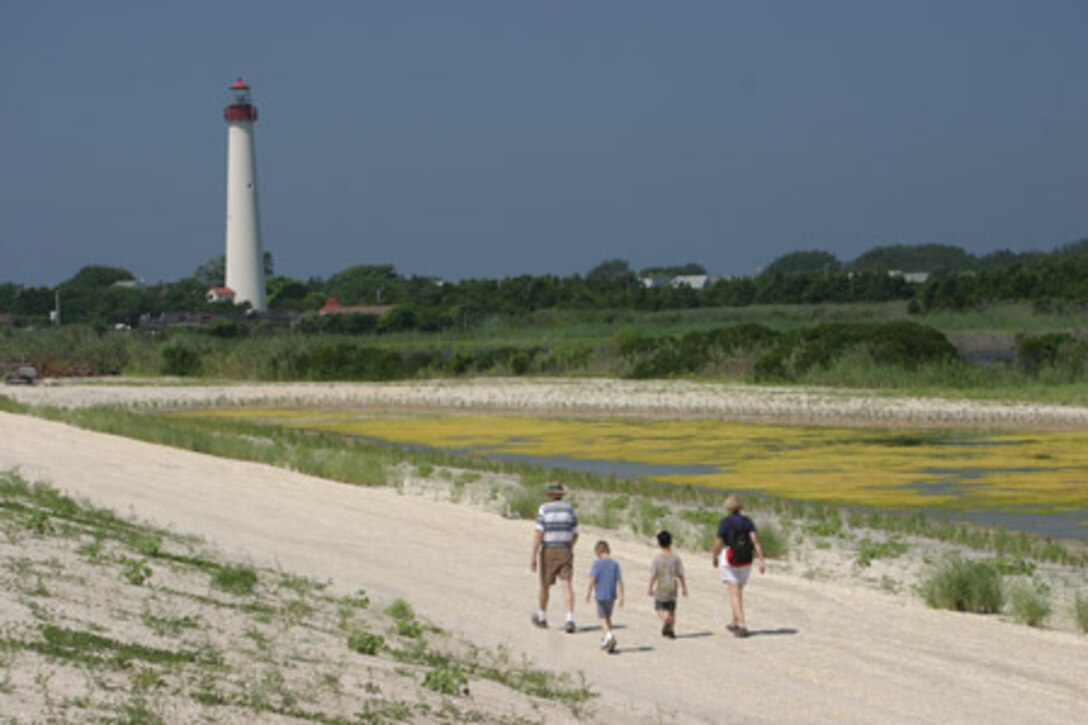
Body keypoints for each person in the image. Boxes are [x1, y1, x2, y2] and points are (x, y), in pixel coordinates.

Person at [712, 495, 766, 638]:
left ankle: (742, 625)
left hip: (730, 558)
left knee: (734, 592)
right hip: (746, 559)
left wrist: (714, 557)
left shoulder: (724, 522)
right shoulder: (747, 521)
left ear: (727, 508)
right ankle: (733, 622)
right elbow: (755, 541)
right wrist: (761, 560)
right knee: (737, 591)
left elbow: (718, 543)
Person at [530, 482, 579, 632]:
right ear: (561, 495)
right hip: (565, 548)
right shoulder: (569, 509)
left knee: (545, 585)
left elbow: (539, 533)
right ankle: (570, 618)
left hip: (549, 549)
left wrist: (533, 555)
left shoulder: (544, 509)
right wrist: (570, 546)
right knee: (567, 584)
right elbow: (576, 532)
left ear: (550, 495)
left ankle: (542, 616)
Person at [585, 540, 624, 652]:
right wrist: (622, 596)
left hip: (601, 594)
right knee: (608, 617)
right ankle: (606, 639)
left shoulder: (597, 564)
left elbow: (593, 579)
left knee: (602, 618)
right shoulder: (615, 564)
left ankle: (609, 635)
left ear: (598, 552)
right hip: (612, 595)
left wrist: (588, 593)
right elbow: (620, 581)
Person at [648, 530, 688, 638]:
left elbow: (653, 574)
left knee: (659, 608)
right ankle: (671, 630)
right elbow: (680, 574)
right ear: (671, 542)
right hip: (672, 587)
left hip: (661, 587)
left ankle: (666, 620)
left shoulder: (657, 558)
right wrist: (684, 587)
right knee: (671, 610)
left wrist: (650, 587)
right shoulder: (676, 558)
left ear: (659, 543)